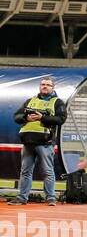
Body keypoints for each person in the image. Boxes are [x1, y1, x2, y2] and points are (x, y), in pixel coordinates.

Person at [8, 75, 66, 206]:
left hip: (45, 142)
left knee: (47, 171)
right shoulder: (30, 101)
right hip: (28, 141)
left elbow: (61, 119)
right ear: (40, 86)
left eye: (48, 85)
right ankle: (22, 197)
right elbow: (16, 116)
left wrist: (42, 118)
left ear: (53, 87)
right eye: (43, 84)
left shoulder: (58, 102)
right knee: (25, 171)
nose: (45, 86)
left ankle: (51, 197)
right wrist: (26, 118)